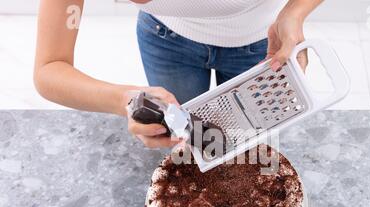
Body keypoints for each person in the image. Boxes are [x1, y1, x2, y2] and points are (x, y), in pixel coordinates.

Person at [34, 0, 323, 149]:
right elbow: (49, 69)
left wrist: (293, 14)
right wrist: (125, 99)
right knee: (190, 143)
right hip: (165, 41)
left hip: (260, 46)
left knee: (245, 147)